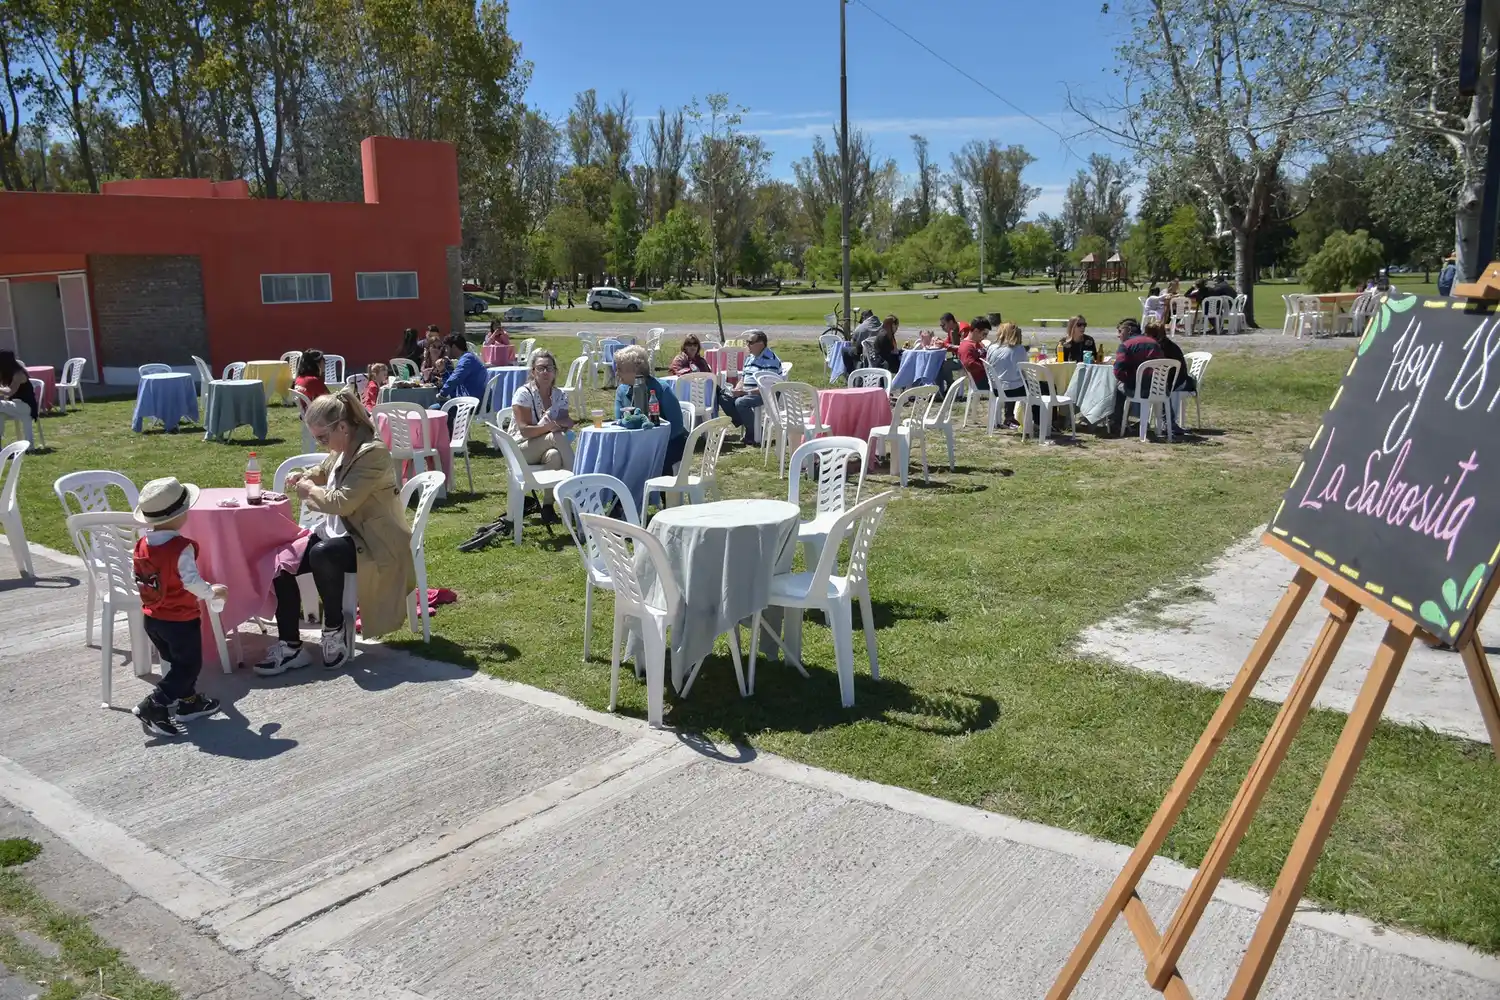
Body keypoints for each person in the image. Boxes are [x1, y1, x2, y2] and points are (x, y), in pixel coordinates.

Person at [256, 390, 416, 674]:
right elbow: (325, 469)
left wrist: (309, 491)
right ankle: (291, 646)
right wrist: (305, 475)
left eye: (322, 438)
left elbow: (342, 502)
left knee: (323, 554)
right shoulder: (344, 447)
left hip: (373, 540)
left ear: (342, 427)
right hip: (343, 534)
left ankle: (334, 627)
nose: (321, 443)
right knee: (280, 561)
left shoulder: (373, 453)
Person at [129, 477, 225, 737]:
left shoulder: (142, 545)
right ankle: (155, 705)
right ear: (181, 514)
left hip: (153, 619)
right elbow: (191, 581)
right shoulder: (180, 548)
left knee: (177, 662)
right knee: (189, 665)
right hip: (180, 620)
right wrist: (212, 591)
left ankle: (189, 703)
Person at [613, 345, 688, 475]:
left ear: (635, 370)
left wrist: (652, 441)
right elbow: (619, 421)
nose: (617, 373)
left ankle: (658, 493)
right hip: (633, 444)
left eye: (620, 369)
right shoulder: (621, 391)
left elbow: (676, 426)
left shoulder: (661, 389)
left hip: (666, 444)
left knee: (648, 462)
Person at [511, 349, 575, 470]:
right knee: (556, 436)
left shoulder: (560, 395)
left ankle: (557, 489)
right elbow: (525, 431)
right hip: (520, 448)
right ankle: (578, 480)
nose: (545, 372)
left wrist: (562, 424)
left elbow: (566, 422)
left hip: (544, 445)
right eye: (540, 368)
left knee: (554, 456)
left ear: (555, 372)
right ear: (533, 372)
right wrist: (551, 426)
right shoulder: (524, 394)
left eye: (549, 368)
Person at [727, 330, 781, 446]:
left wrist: (746, 392)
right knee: (724, 398)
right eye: (747, 342)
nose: (747, 345)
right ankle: (751, 426)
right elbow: (743, 378)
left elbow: (767, 387)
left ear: (761, 344)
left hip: (766, 393)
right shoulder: (750, 357)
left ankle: (754, 432)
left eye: (750, 342)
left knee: (741, 402)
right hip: (749, 391)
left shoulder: (770, 360)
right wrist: (737, 389)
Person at [1111, 320, 1166, 435]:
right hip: (1158, 389)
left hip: (1138, 390)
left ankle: (1117, 423)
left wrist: (1130, 381)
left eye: (1120, 331)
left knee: (1117, 387)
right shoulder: (1155, 343)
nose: (1118, 335)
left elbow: (1117, 371)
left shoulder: (1126, 345)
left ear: (1128, 330)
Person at [985, 321, 1029, 428]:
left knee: (1011, 379)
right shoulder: (1019, 349)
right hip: (1012, 390)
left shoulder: (992, 347)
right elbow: (1025, 369)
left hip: (995, 388)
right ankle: (1039, 421)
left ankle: (1009, 416)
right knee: (1040, 388)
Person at [436, 332, 488, 406]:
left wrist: (442, 394)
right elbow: (454, 387)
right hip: (472, 400)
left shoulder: (466, 360)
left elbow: (454, 380)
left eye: (446, 348)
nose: (446, 351)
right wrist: (444, 371)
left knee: (433, 408)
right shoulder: (469, 358)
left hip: (471, 403)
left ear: (453, 347)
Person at [0, 351, 38, 420]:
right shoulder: (7, 373)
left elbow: (10, 392)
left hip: (26, 406)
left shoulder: (18, 374)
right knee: (1, 414)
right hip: (15, 403)